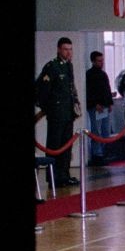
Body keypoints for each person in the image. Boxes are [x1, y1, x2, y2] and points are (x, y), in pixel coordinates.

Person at [35, 36, 81, 185]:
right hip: (56, 113)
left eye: (70, 49)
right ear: (59, 50)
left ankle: (64, 175)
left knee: (66, 145)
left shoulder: (68, 66)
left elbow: (70, 89)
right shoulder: (52, 67)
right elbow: (42, 90)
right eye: (65, 49)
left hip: (68, 113)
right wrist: (47, 109)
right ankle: (53, 177)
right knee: (55, 145)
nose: (68, 52)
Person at [84, 50, 115, 166]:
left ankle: (102, 152)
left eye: (102, 60)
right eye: (99, 61)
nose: (101, 63)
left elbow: (107, 89)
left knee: (106, 131)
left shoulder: (103, 74)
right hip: (95, 107)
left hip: (105, 107)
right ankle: (97, 154)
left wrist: (110, 103)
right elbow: (89, 92)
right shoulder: (89, 75)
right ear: (93, 61)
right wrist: (95, 103)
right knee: (96, 131)